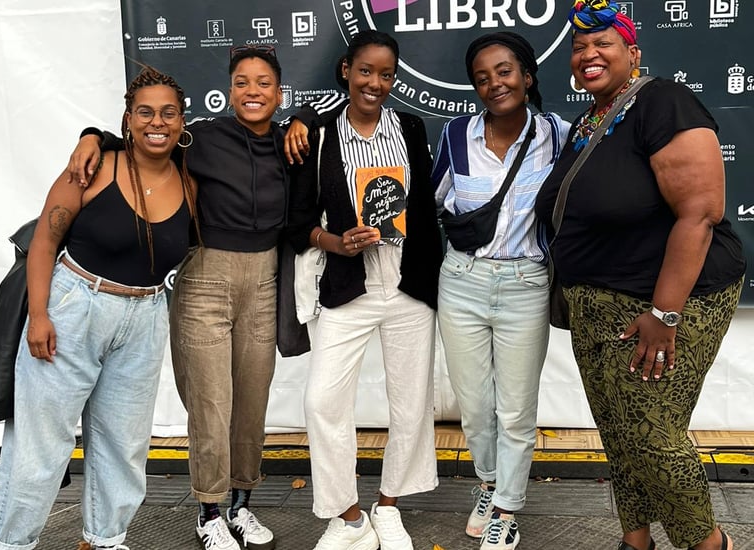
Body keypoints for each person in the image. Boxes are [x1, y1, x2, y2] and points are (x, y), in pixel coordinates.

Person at [66, 46, 300, 550]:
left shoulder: (290, 142)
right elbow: (144, 142)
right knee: (211, 403)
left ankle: (241, 506)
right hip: (204, 281)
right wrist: (93, 136)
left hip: (264, 282)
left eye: (263, 83)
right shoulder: (200, 138)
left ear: (280, 93)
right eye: (242, 82)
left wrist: (302, 120)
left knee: (252, 403)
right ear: (230, 89)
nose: (252, 91)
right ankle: (209, 511)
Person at [534, 2, 746, 550]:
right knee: (620, 432)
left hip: (664, 304)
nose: (587, 55)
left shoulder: (664, 103)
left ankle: (709, 544)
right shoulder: (589, 121)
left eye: (602, 43)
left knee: (653, 434)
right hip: (595, 305)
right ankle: (635, 541)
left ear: (633, 53)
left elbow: (700, 213)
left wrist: (663, 314)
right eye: (579, 48)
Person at [0, 67, 197, 550]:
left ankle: (105, 540)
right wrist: (39, 316)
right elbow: (44, 241)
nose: (156, 122)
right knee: (43, 445)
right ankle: (11, 544)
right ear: (127, 119)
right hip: (73, 306)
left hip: (145, 317)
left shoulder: (189, 184)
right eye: (145, 112)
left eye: (168, 113)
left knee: (123, 447)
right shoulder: (96, 166)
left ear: (183, 120)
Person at [285, 30, 443, 550]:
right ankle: (348, 516)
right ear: (346, 72)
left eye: (386, 74)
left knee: (411, 403)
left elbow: (424, 212)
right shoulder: (320, 135)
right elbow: (298, 221)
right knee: (322, 401)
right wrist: (335, 241)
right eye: (365, 71)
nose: (375, 82)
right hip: (347, 283)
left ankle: (389, 504)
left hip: (407, 285)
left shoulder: (413, 129)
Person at [431, 32, 569, 550]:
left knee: (515, 410)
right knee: (474, 405)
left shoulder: (555, 133)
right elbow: (432, 200)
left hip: (525, 284)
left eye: (506, 71)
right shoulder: (455, 135)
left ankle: (507, 508)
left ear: (527, 76)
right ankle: (489, 484)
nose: (495, 83)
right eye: (483, 77)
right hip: (461, 281)